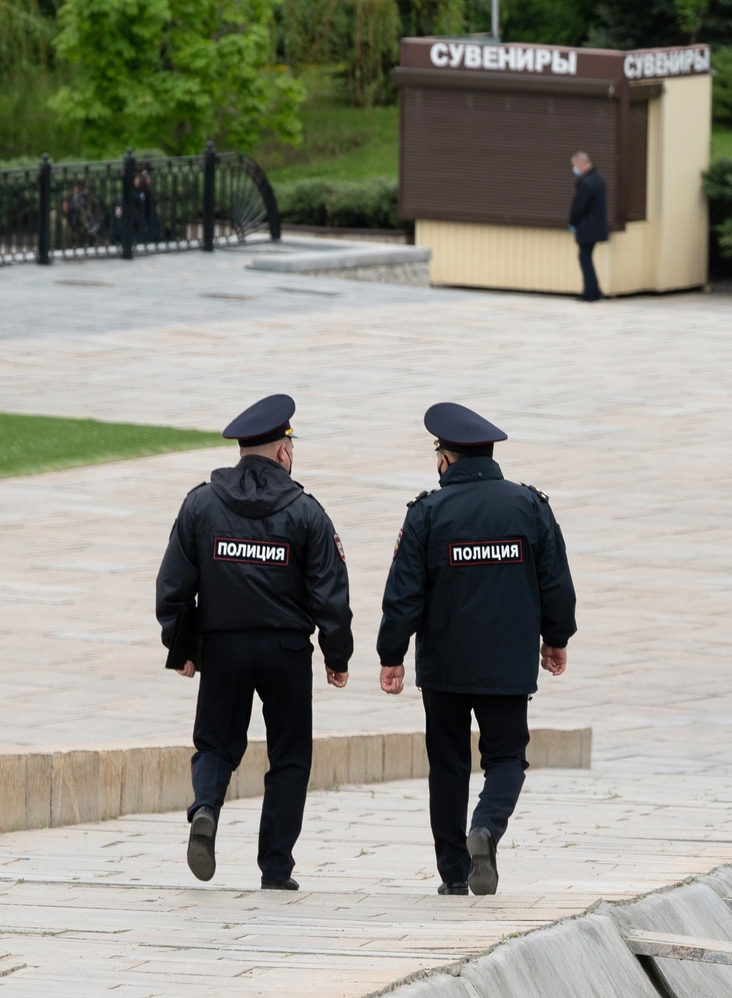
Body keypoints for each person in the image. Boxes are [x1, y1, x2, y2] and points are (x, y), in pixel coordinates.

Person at [154, 394, 353, 890]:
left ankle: (205, 809)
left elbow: (174, 585)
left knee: (216, 744)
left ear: (242, 450)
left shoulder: (201, 503)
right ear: (283, 451)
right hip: (285, 651)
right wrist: (337, 654)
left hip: (223, 647)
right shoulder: (306, 512)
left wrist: (181, 647)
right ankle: (275, 868)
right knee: (288, 756)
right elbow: (330, 591)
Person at [378, 402, 577, 896]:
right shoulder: (529, 506)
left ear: (446, 459)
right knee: (507, 757)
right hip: (507, 664)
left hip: (444, 666)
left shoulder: (427, 512)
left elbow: (403, 591)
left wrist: (392, 654)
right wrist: (556, 639)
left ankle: (454, 875)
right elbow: (556, 582)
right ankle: (486, 827)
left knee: (447, 765)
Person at [566, 151, 608, 302]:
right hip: (596, 227)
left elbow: (579, 207)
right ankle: (594, 289)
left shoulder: (586, 183)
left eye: (574, 165)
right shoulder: (598, 180)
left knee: (584, 258)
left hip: (587, 227)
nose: (574, 168)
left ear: (580, 163)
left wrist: (573, 222)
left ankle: (590, 293)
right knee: (587, 257)